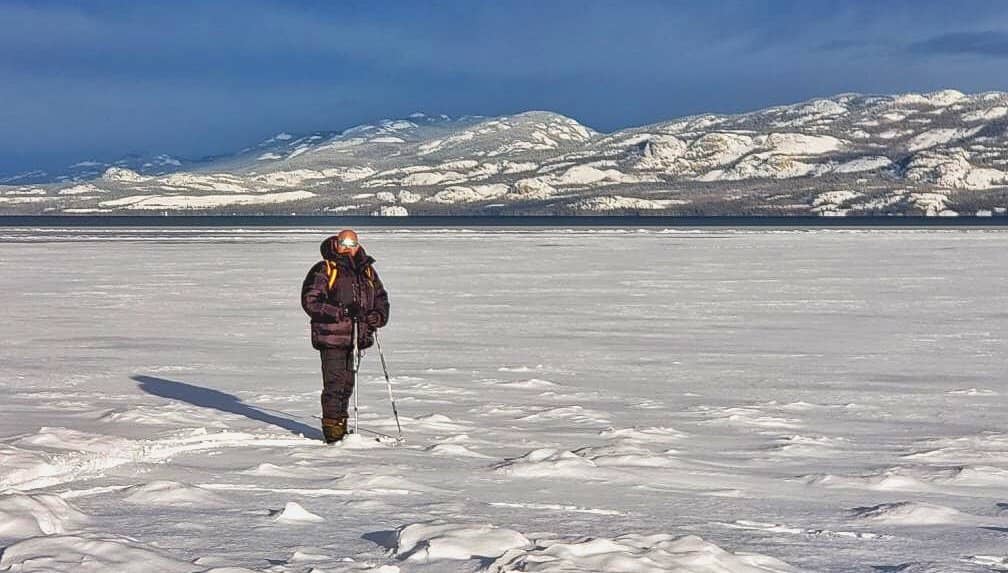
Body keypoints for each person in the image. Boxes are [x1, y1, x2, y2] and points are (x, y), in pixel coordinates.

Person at [301, 229, 390, 443]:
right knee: (335, 384)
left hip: (357, 337)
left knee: (347, 384)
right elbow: (311, 300)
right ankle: (333, 432)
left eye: (352, 243)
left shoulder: (366, 270)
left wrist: (378, 316)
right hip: (331, 337)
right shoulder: (325, 268)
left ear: (358, 245)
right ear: (336, 244)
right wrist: (341, 311)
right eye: (344, 243)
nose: (348, 248)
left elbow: (381, 297)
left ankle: (341, 427)